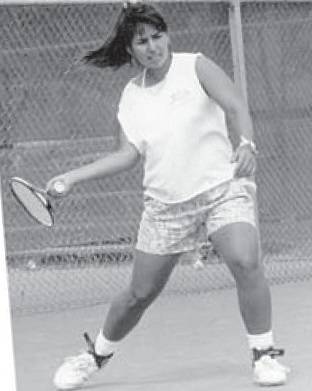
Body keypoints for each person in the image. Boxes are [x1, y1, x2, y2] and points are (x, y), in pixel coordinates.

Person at [49, 3, 289, 389]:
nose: (152, 46)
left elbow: (235, 105)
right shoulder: (131, 96)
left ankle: (264, 354)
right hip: (165, 208)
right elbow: (127, 154)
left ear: (167, 35)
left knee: (246, 260)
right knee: (138, 294)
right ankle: (94, 356)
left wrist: (247, 144)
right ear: (130, 50)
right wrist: (73, 177)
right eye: (141, 41)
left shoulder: (195, 66)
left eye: (157, 36)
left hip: (220, 190)